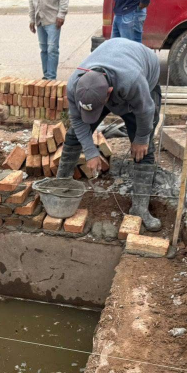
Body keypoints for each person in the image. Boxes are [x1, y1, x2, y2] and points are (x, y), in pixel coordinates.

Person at [57, 38, 162, 231]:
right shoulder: (75, 84)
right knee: (73, 136)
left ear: (109, 93)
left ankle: (140, 208)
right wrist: (90, 151)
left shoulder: (132, 81)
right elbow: (78, 121)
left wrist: (140, 138)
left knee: (144, 148)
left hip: (143, 78)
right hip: (108, 77)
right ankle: (59, 189)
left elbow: (146, 110)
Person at [28, 0, 69, 80]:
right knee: (44, 49)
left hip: (52, 18)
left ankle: (51, 78)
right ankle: (46, 76)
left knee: (52, 49)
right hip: (39, 18)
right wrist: (32, 18)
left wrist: (61, 14)